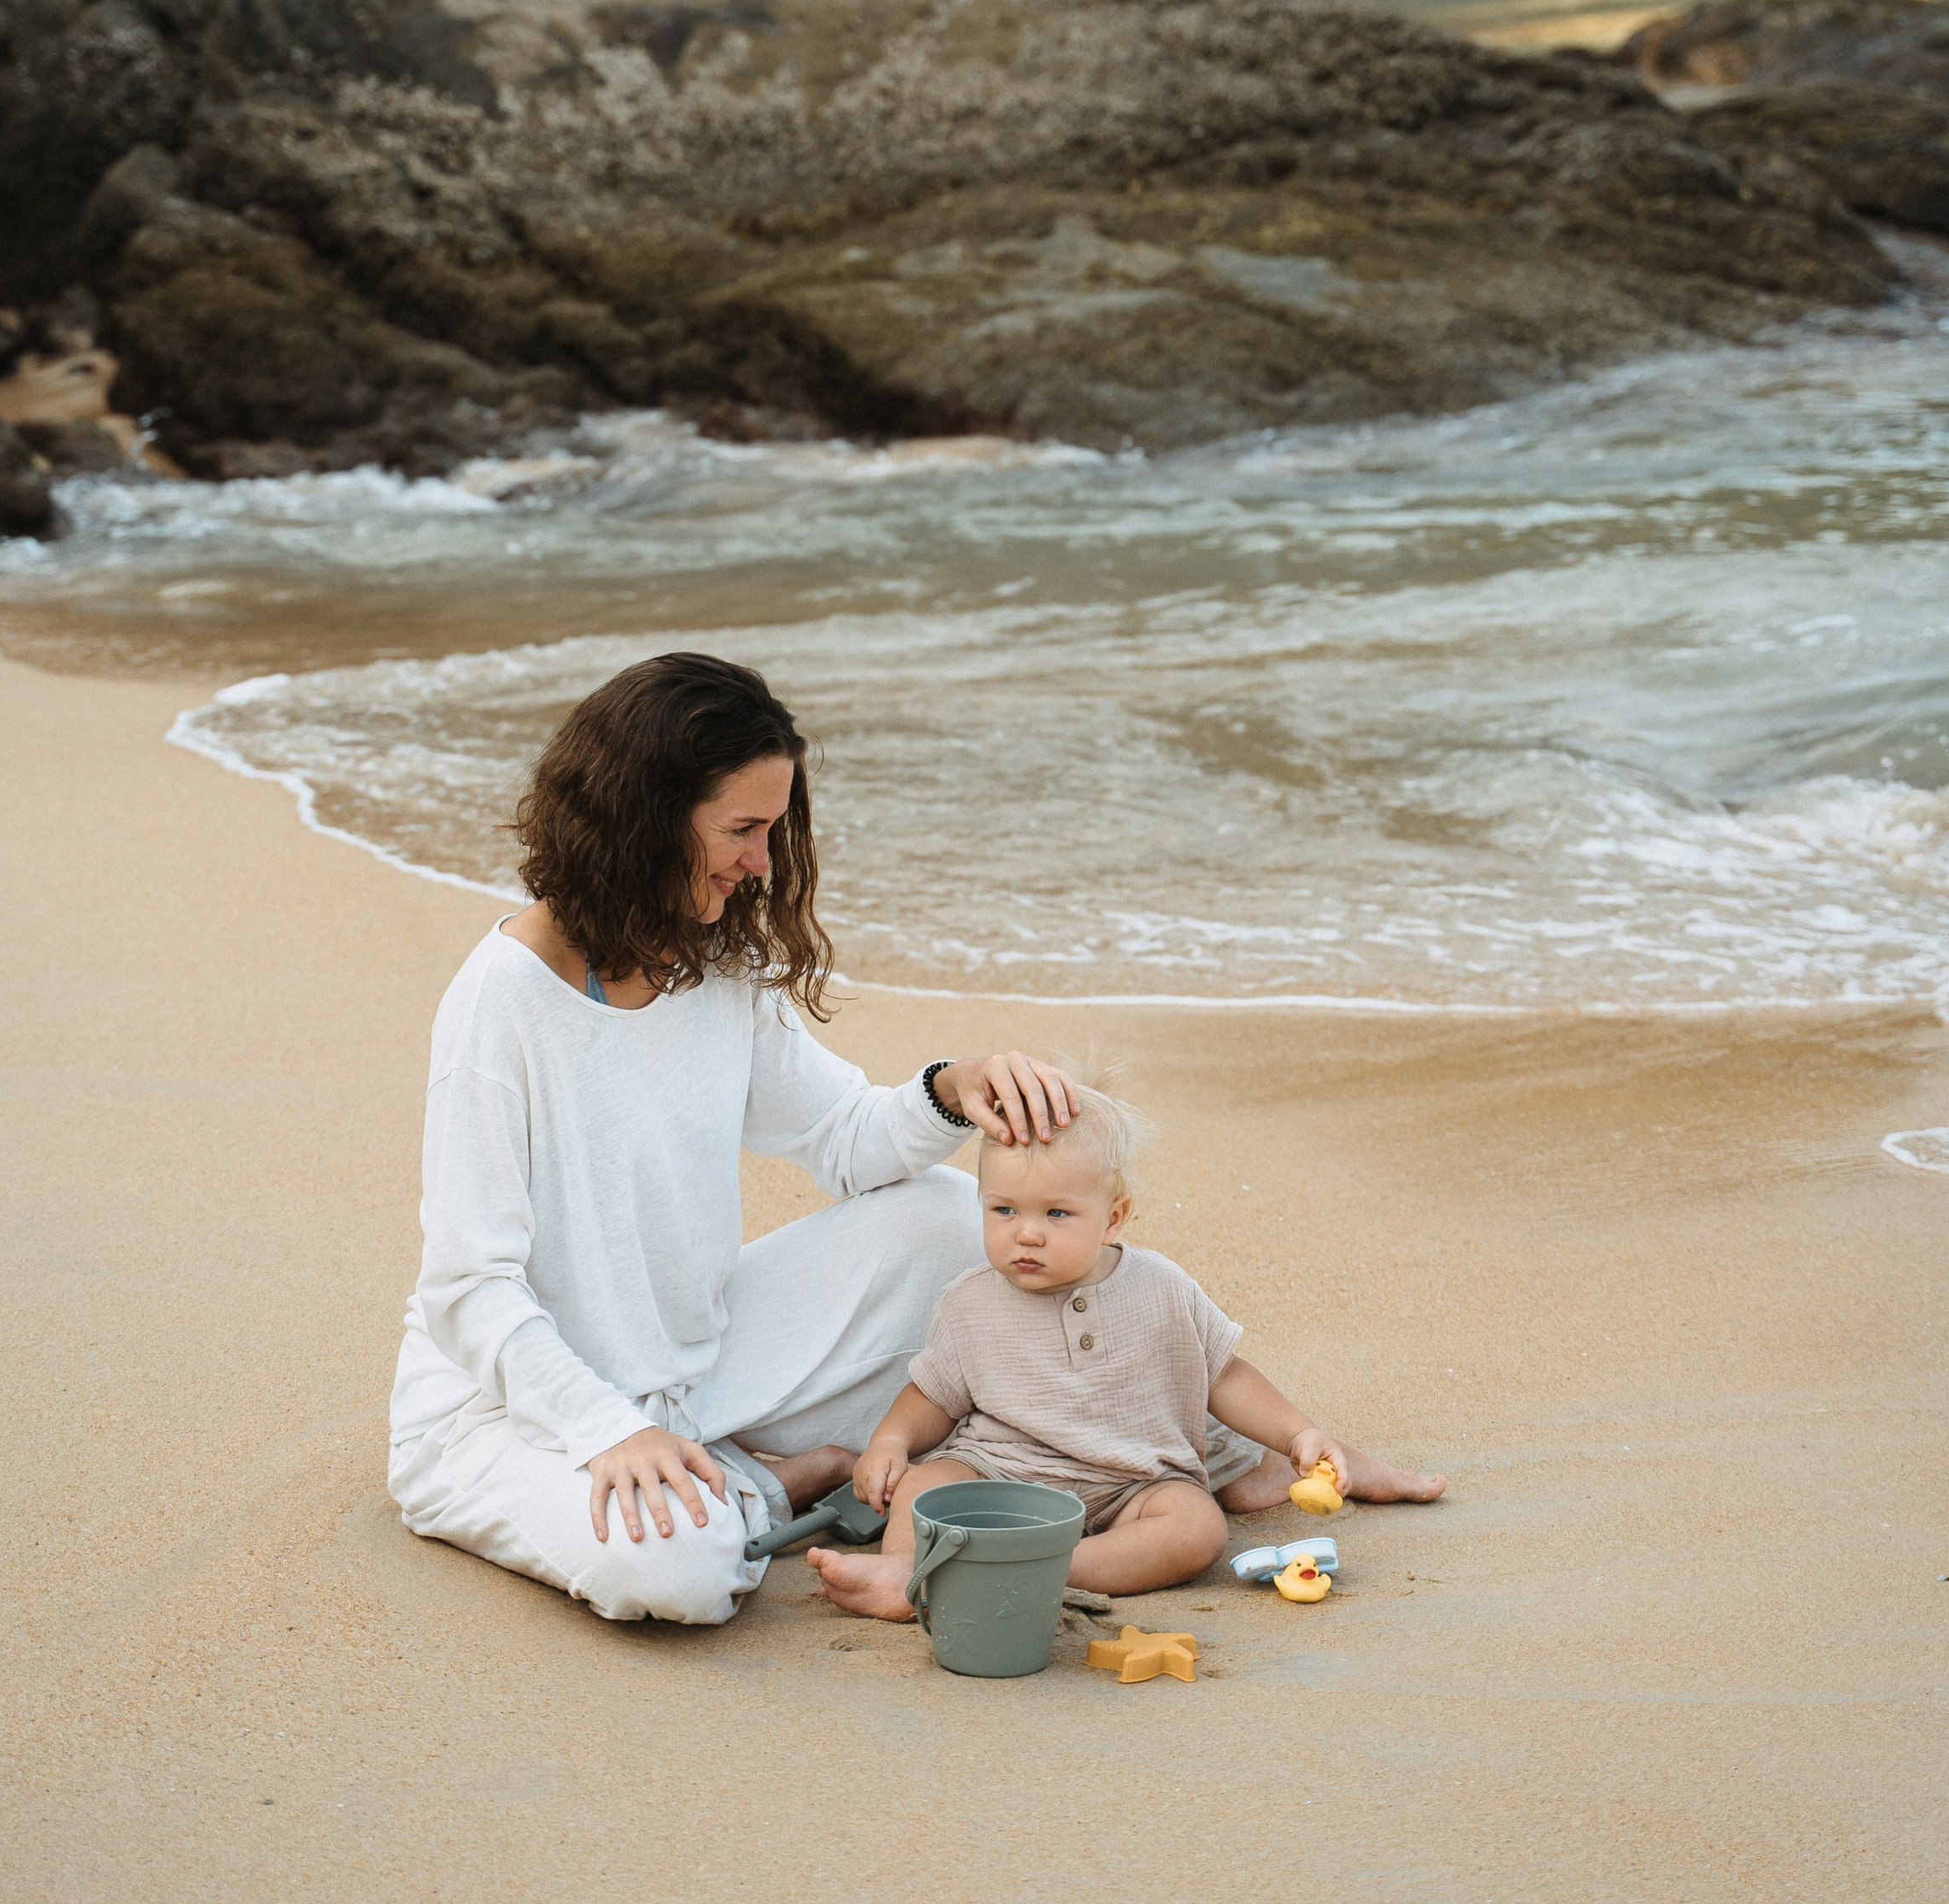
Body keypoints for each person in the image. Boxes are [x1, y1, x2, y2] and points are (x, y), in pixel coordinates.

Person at [387, 650, 1093, 1626]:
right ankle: (774, 1481)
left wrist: (951, 1089)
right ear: (646, 815)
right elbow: (467, 1288)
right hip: (510, 1412)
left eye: (772, 828)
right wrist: (607, 1430)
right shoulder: (501, 1002)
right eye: (742, 829)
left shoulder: (709, 963)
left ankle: (730, 1462)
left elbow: (844, 1139)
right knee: (676, 1572)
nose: (762, 861)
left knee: (942, 1222)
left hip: (693, 1362)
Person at [810, 1087, 1444, 1618]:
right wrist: (891, 1442)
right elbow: (933, 1394)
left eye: (1057, 1213)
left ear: (1113, 1219)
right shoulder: (970, 1300)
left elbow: (1223, 1375)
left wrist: (1300, 1431)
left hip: (1133, 1481)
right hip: (1003, 1472)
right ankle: (903, 1574)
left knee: (1197, 1529)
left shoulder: (1162, 1286)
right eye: (1003, 1209)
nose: (1025, 1232)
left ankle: (1045, 1574)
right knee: (927, 1484)